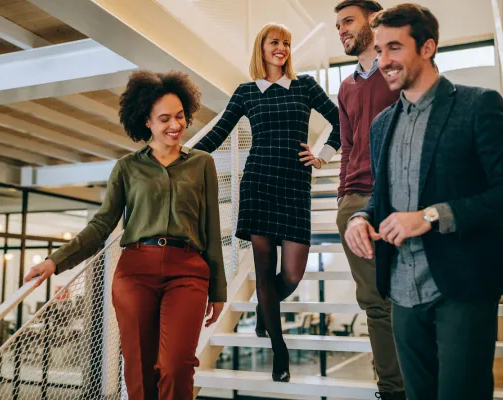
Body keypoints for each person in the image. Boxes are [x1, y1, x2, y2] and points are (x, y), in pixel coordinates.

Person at [24, 70, 227, 400]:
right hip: (135, 272)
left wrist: (218, 289)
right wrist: (55, 261)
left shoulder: (202, 163)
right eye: (164, 119)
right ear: (147, 120)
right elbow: (102, 225)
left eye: (180, 116)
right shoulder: (127, 168)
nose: (175, 125)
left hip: (188, 270)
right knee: (139, 370)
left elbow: (211, 229)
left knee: (176, 366)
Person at [344, 4, 503, 400]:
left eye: (394, 48)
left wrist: (432, 216)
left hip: (462, 289)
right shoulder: (382, 125)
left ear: (428, 46)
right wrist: (361, 219)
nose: (384, 61)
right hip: (400, 292)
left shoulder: (479, 105)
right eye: (379, 50)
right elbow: (382, 199)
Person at [194, 22, 340, 382]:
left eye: (287, 43)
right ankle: (280, 349)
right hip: (258, 183)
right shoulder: (246, 92)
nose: (283, 48)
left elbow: (342, 121)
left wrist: (322, 155)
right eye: (275, 42)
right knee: (263, 271)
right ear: (261, 48)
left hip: (294, 185)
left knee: (290, 274)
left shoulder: (304, 86)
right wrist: (181, 156)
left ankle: (264, 306)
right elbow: (217, 132)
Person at [332, 1, 404, 398]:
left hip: (396, 197)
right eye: (338, 25)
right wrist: (343, 196)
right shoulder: (345, 87)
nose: (341, 30)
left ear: (372, 24)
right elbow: (346, 145)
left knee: (407, 296)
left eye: (348, 21)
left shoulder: (397, 72)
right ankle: (392, 390)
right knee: (374, 303)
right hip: (353, 201)